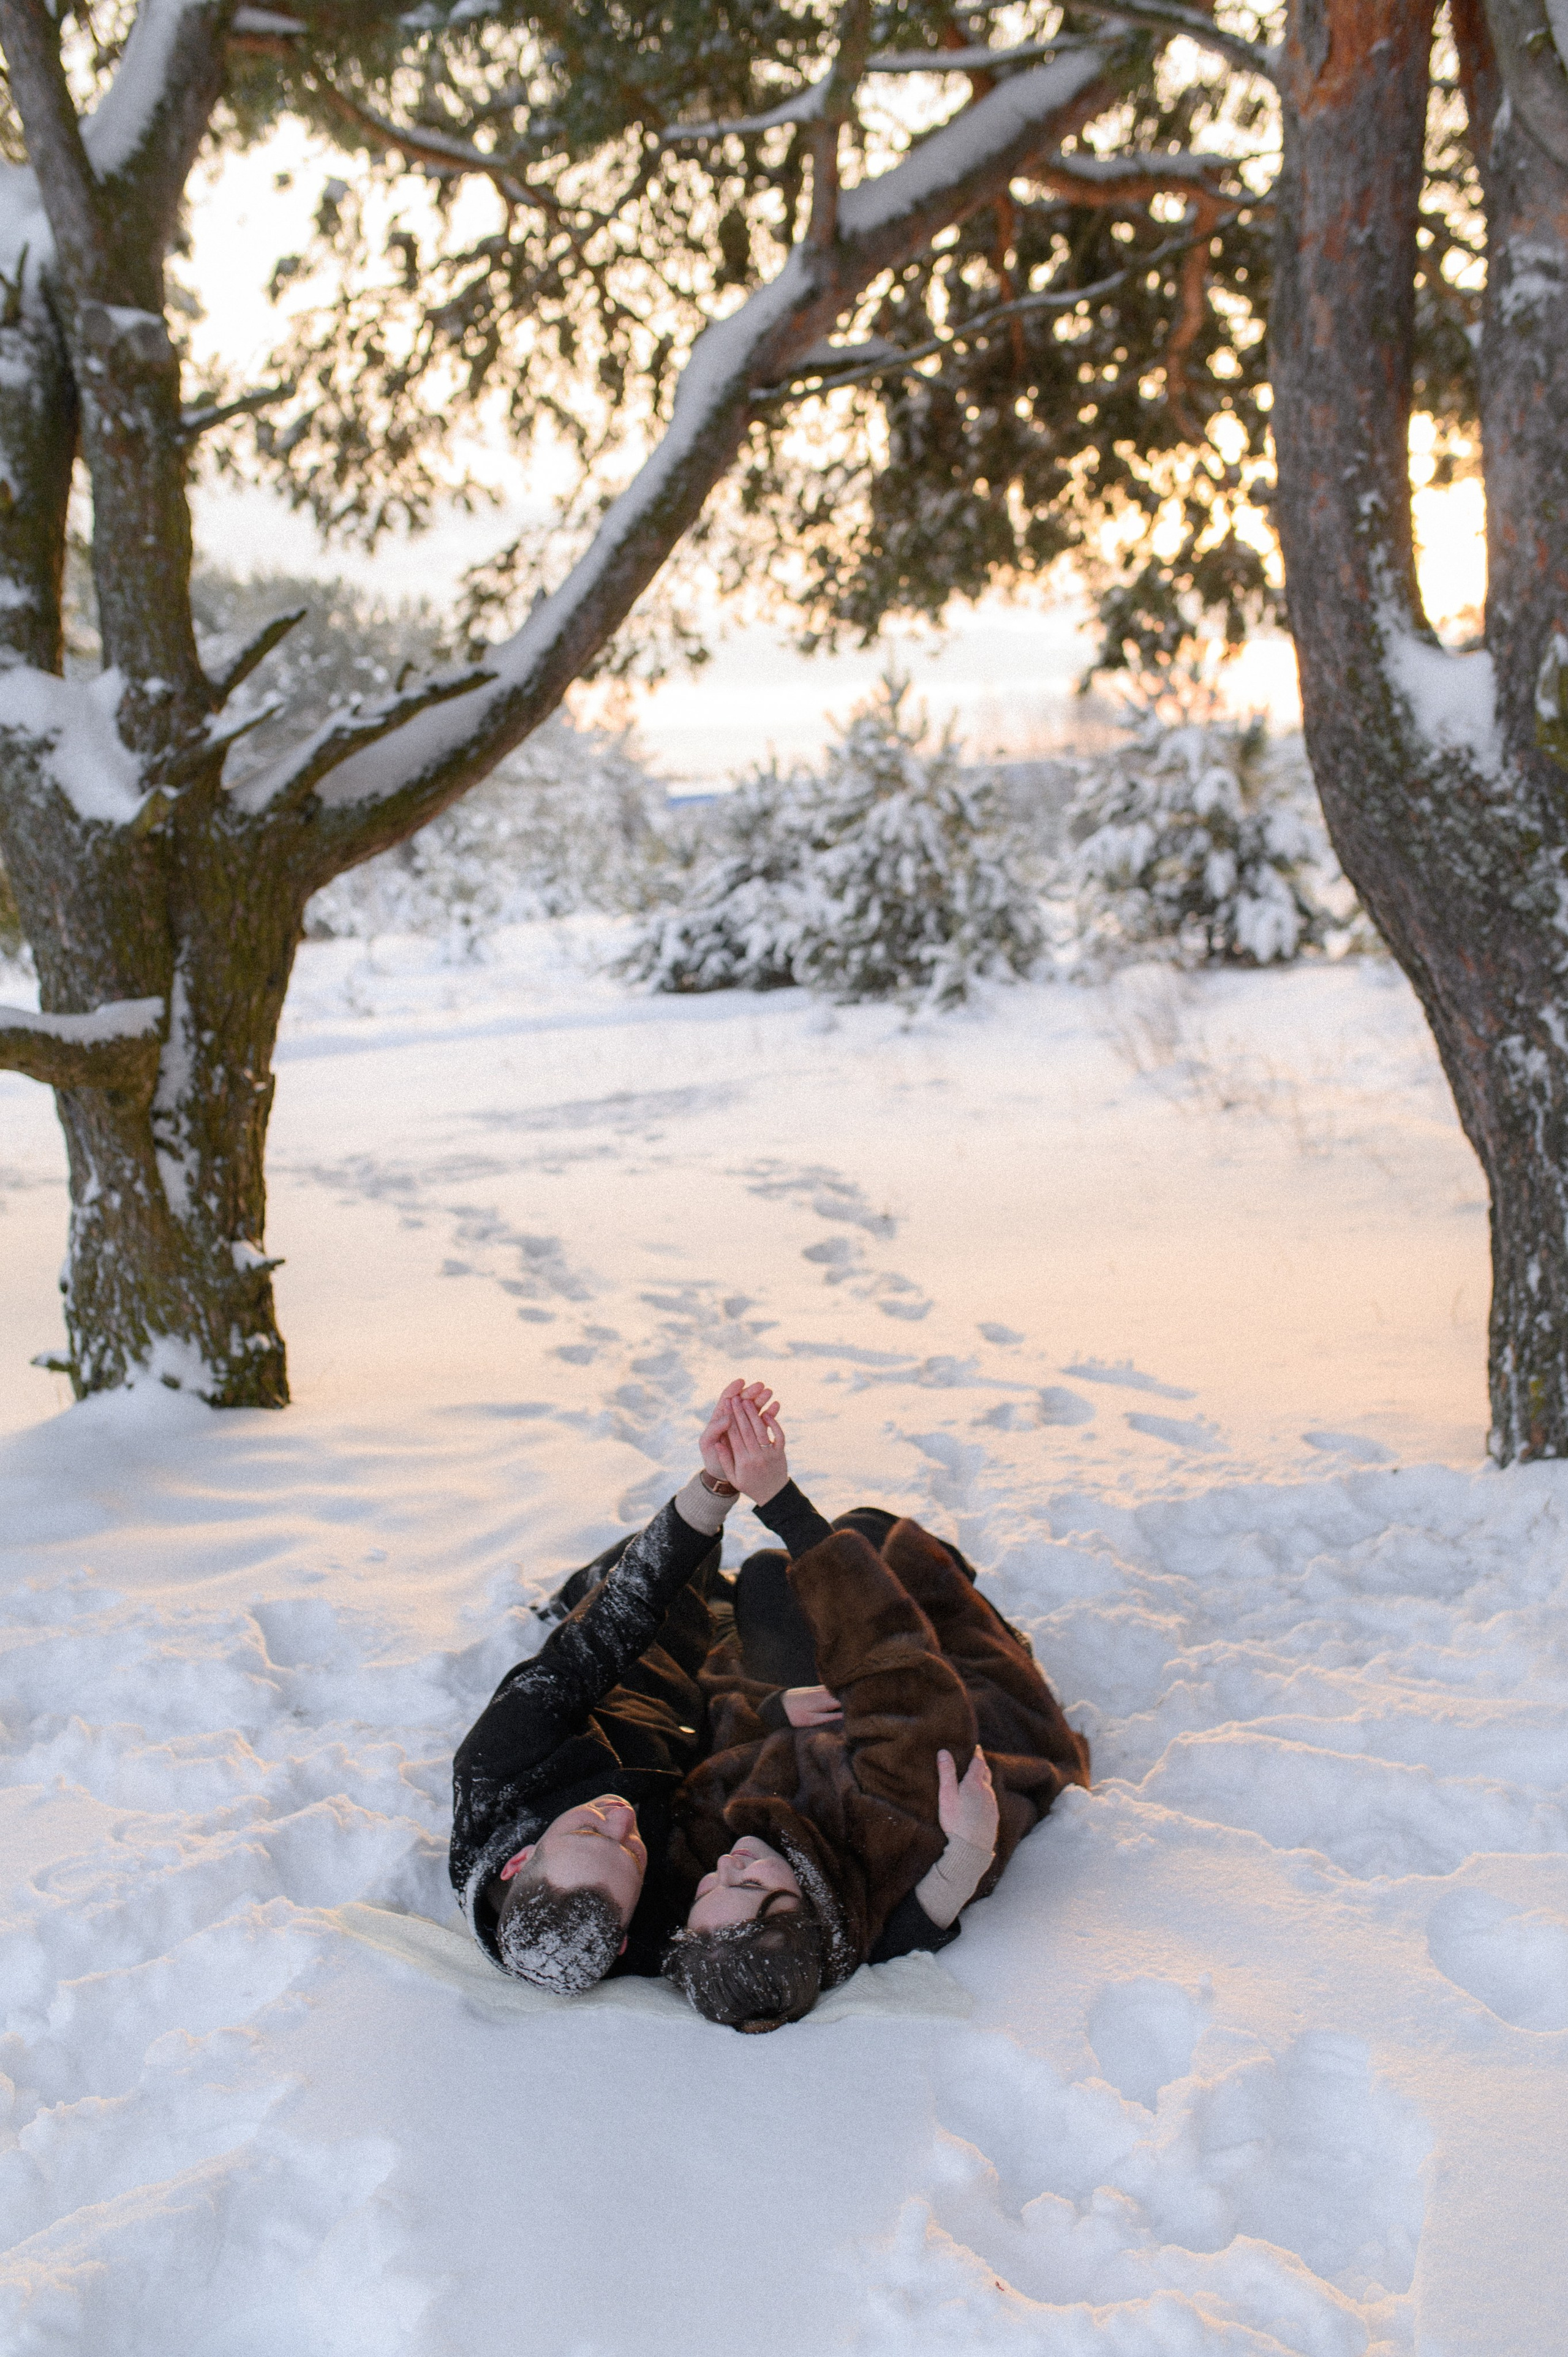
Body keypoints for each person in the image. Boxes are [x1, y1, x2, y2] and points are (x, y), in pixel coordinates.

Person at [663, 1394, 1091, 2031]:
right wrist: (781, 1501)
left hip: (829, 1723)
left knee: (763, 1579)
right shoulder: (894, 1829)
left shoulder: (732, 1861)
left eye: (707, 1891)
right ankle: (975, 1603)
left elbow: (713, 1735)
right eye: (750, 1887)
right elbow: (897, 1668)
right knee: (866, 1535)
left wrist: (774, 1708)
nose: (727, 1867)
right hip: (956, 1710)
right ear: (806, 1908)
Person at [448, 1379, 773, 1990]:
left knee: (667, 1569)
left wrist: (712, 1490)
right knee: (788, 1592)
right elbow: (798, 1933)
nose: (620, 1819)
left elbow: (601, 1637)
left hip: (642, 1662)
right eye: (630, 1852)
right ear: (627, 1938)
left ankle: (582, 1585)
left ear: (521, 1858)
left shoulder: (496, 1767)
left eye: (589, 1827)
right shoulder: (642, 1926)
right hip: (717, 1705)